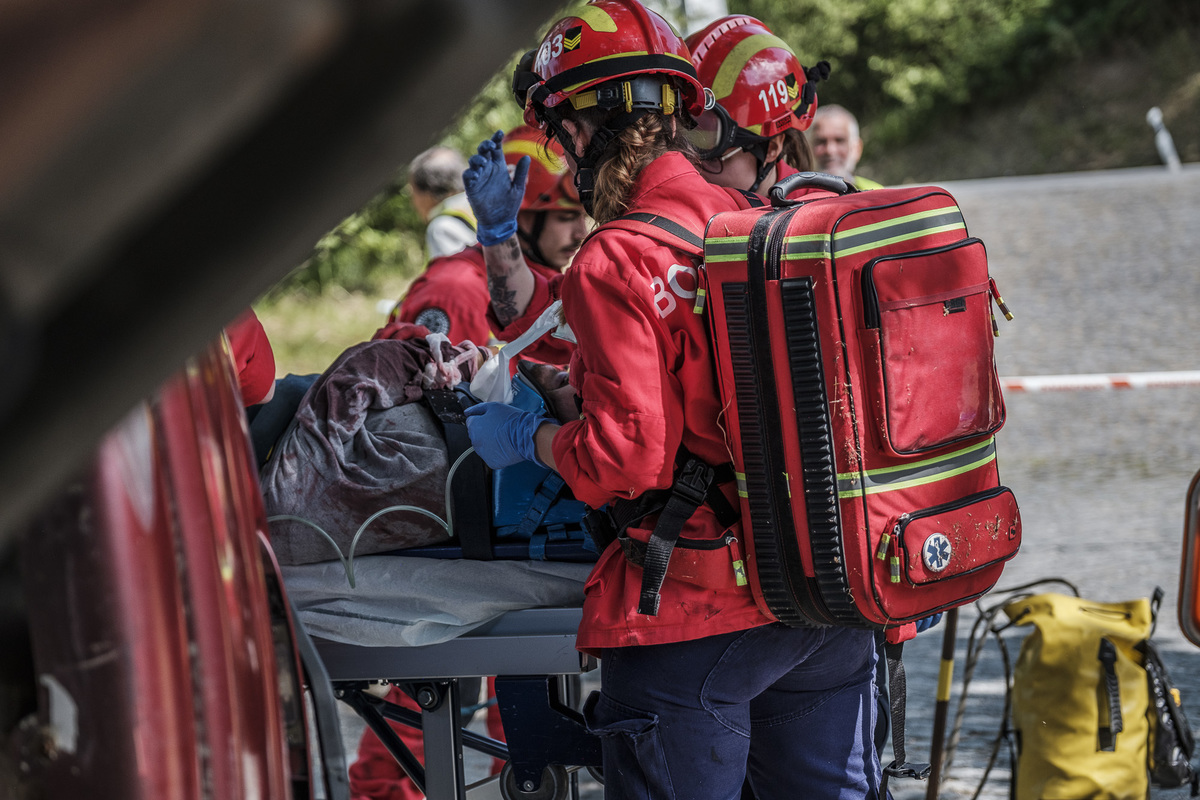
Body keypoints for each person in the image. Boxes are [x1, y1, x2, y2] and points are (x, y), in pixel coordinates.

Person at [464, 2, 883, 797]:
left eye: (561, 136)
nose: (562, 157)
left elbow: (625, 458)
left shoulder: (616, 258)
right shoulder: (757, 223)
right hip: (819, 595)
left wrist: (530, 441)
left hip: (698, 611)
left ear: (585, 131)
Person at [380, 126, 588, 353]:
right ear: (517, 212)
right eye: (566, 217)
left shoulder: (546, 284)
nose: (581, 233)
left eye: (582, 216)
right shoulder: (456, 290)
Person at [683, 14, 830, 196]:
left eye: (710, 157)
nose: (689, 171)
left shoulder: (821, 217)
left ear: (772, 149)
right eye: (681, 148)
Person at [407, 145, 477, 259]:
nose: (412, 202)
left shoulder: (442, 228)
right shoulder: (487, 201)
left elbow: (457, 275)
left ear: (428, 191)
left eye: (412, 192)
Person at [809, 104, 884, 189]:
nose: (830, 150)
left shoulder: (876, 193)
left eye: (839, 140)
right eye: (821, 142)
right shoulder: (795, 194)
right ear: (808, 148)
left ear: (857, 148)